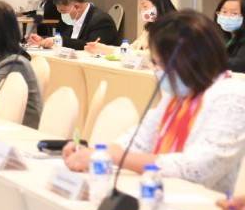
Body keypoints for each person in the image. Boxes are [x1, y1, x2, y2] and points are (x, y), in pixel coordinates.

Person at [64, 11, 245, 193]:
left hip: (203, 202)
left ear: (188, 60)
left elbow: (199, 168)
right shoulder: (178, 95)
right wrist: (96, 153)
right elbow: (139, 141)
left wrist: (114, 156)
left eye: (160, 63)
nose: (156, 70)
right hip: (165, 193)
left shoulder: (230, 97)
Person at [84, 0, 176, 55]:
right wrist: (104, 48)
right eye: (140, 8)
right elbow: (130, 50)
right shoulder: (149, 28)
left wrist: (108, 50)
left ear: (159, 5)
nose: (142, 11)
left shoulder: (172, 27)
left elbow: (151, 56)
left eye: (145, 6)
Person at [27, 0, 120, 50]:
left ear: (76, 7)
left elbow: (90, 46)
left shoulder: (101, 20)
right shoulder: (75, 18)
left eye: (63, 11)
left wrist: (57, 41)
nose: (62, 15)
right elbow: (66, 38)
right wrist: (43, 39)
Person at [214, 0, 245, 73]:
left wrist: (208, 60)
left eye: (234, 13)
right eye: (224, 11)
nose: (227, 16)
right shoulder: (220, 34)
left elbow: (240, 64)